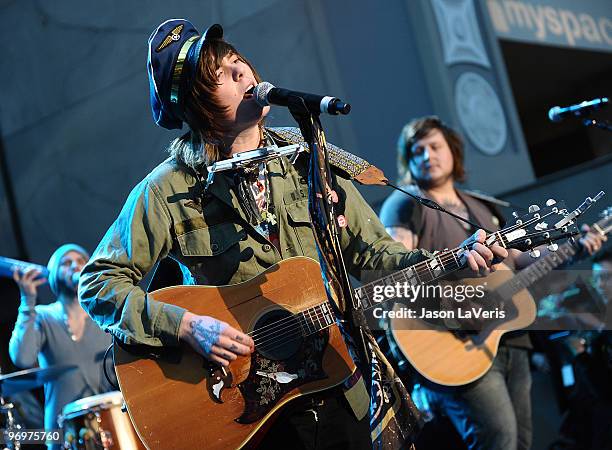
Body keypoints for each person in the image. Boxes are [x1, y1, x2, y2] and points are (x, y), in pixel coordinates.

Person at [78, 20, 506, 449]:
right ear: (198, 105)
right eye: (222, 75)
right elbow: (98, 283)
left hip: (338, 379)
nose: (242, 72)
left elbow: (375, 255)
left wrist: (452, 262)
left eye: (239, 62)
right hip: (246, 406)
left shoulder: (312, 160)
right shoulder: (168, 188)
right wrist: (187, 326)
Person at [379, 116, 606, 450]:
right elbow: (395, 271)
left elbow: (518, 260)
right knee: (499, 439)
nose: (427, 156)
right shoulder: (405, 204)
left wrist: (571, 251)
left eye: (435, 146)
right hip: (451, 338)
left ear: (453, 151)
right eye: (418, 150)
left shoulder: (482, 207)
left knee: (522, 442)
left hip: (508, 336)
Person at [9, 244, 114, 449]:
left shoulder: (105, 314)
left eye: (81, 261)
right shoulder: (41, 315)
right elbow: (22, 358)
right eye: (66, 263)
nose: (75, 266)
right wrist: (27, 301)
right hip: (62, 431)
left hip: (110, 421)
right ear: (54, 274)